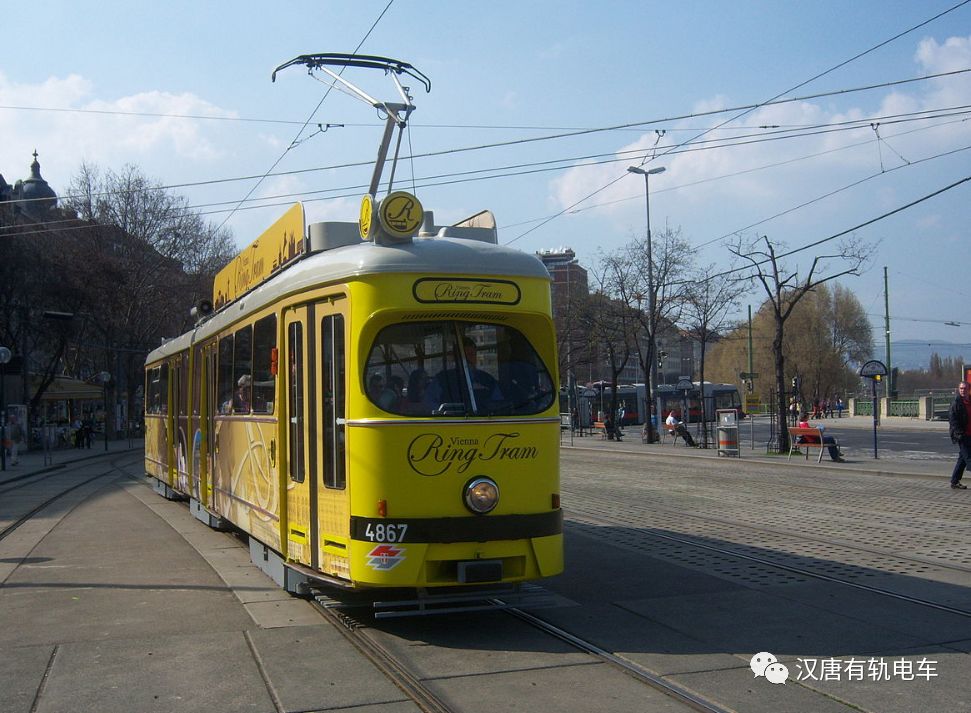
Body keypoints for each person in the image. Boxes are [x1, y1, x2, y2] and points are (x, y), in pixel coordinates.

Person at [947, 381, 971, 489]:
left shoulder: (970, 401)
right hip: (963, 435)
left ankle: (954, 481)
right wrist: (959, 434)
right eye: (961, 388)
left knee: (962, 459)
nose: (963, 390)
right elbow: (953, 420)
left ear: (968, 390)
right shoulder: (956, 403)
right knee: (969, 458)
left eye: (965, 388)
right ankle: (955, 481)